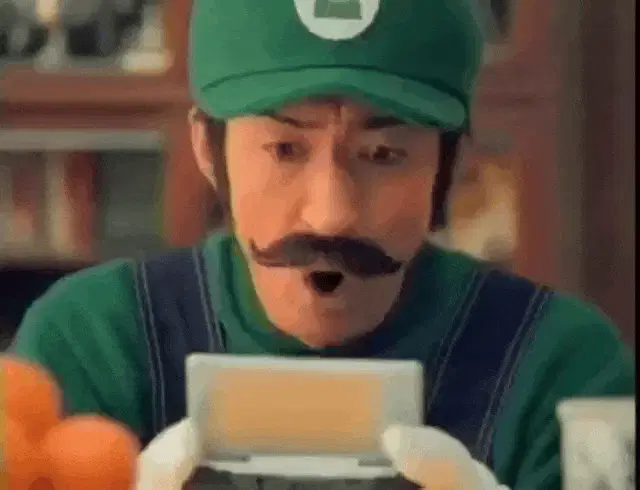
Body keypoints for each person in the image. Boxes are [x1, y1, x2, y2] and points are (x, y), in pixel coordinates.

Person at [10, 0, 634, 489]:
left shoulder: (560, 370)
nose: (331, 215)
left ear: (454, 164)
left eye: (383, 154)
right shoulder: (95, 343)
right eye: (284, 149)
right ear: (206, 148)